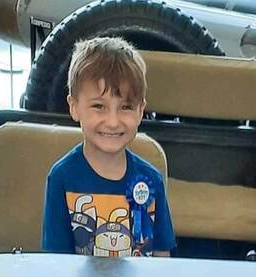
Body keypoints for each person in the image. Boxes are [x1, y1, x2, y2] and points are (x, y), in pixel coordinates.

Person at [42, 36, 175, 258]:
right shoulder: (61, 177)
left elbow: (162, 256)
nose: (113, 121)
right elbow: (57, 263)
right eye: (98, 106)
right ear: (74, 107)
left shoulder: (151, 179)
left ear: (141, 111)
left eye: (125, 107)